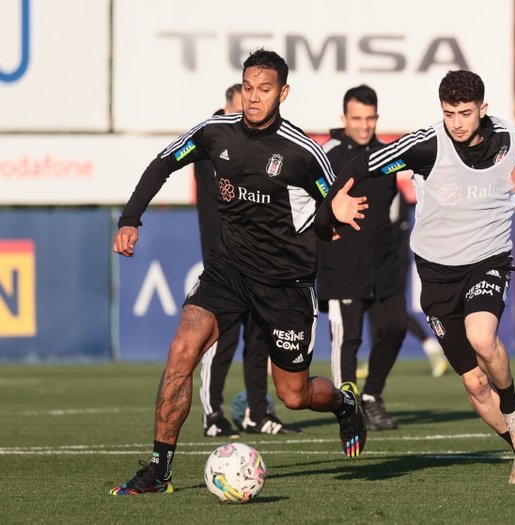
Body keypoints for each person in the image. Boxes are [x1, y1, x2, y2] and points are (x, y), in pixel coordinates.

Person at [316, 69, 515, 484]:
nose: (456, 123)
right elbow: (361, 164)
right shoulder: (426, 145)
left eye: (465, 113)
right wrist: (327, 213)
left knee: (482, 336)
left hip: (487, 259)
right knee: (473, 385)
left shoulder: (508, 141)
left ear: (483, 109)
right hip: (436, 275)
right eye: (449, 113)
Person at [110, 48, 368, 496]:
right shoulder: (215, 133)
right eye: (248, 88)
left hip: (286, 285)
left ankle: (346, 403)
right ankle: (158, 471)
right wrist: (130, 218)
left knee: (293, 395)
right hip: (228, 271)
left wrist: (336, 213)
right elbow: (163, 162)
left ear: (282, 93)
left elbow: (325, 223)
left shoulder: (303, 153)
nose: (253, 98)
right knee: (180, 351)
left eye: (264, 90)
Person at [195, 83, 299, 437]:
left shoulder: (254, 144)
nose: (251, 113)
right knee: (220, 339)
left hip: (261, 263)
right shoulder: (212, 140)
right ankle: (212, 413)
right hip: (223, 260)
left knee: (259, 339)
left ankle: (257, 411)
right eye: (244, 106)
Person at [318, 85, 407, 431]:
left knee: (397, 326)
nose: (364, 125)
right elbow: (309, 203)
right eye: (357, 118)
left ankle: (371, 396)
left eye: (370, 118)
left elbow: (390, 211)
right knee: (347, 342)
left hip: (382, 268)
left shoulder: (388, 156)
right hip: (341, 267)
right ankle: (350, 410)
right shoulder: (327, 154)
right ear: (344, 118)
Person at [394, 172, 449, 378]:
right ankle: (374, 359)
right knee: (380, 310)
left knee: (393, 308)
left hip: (389, 261)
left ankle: (432, 347)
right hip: (388, 260)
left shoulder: (391, 191)